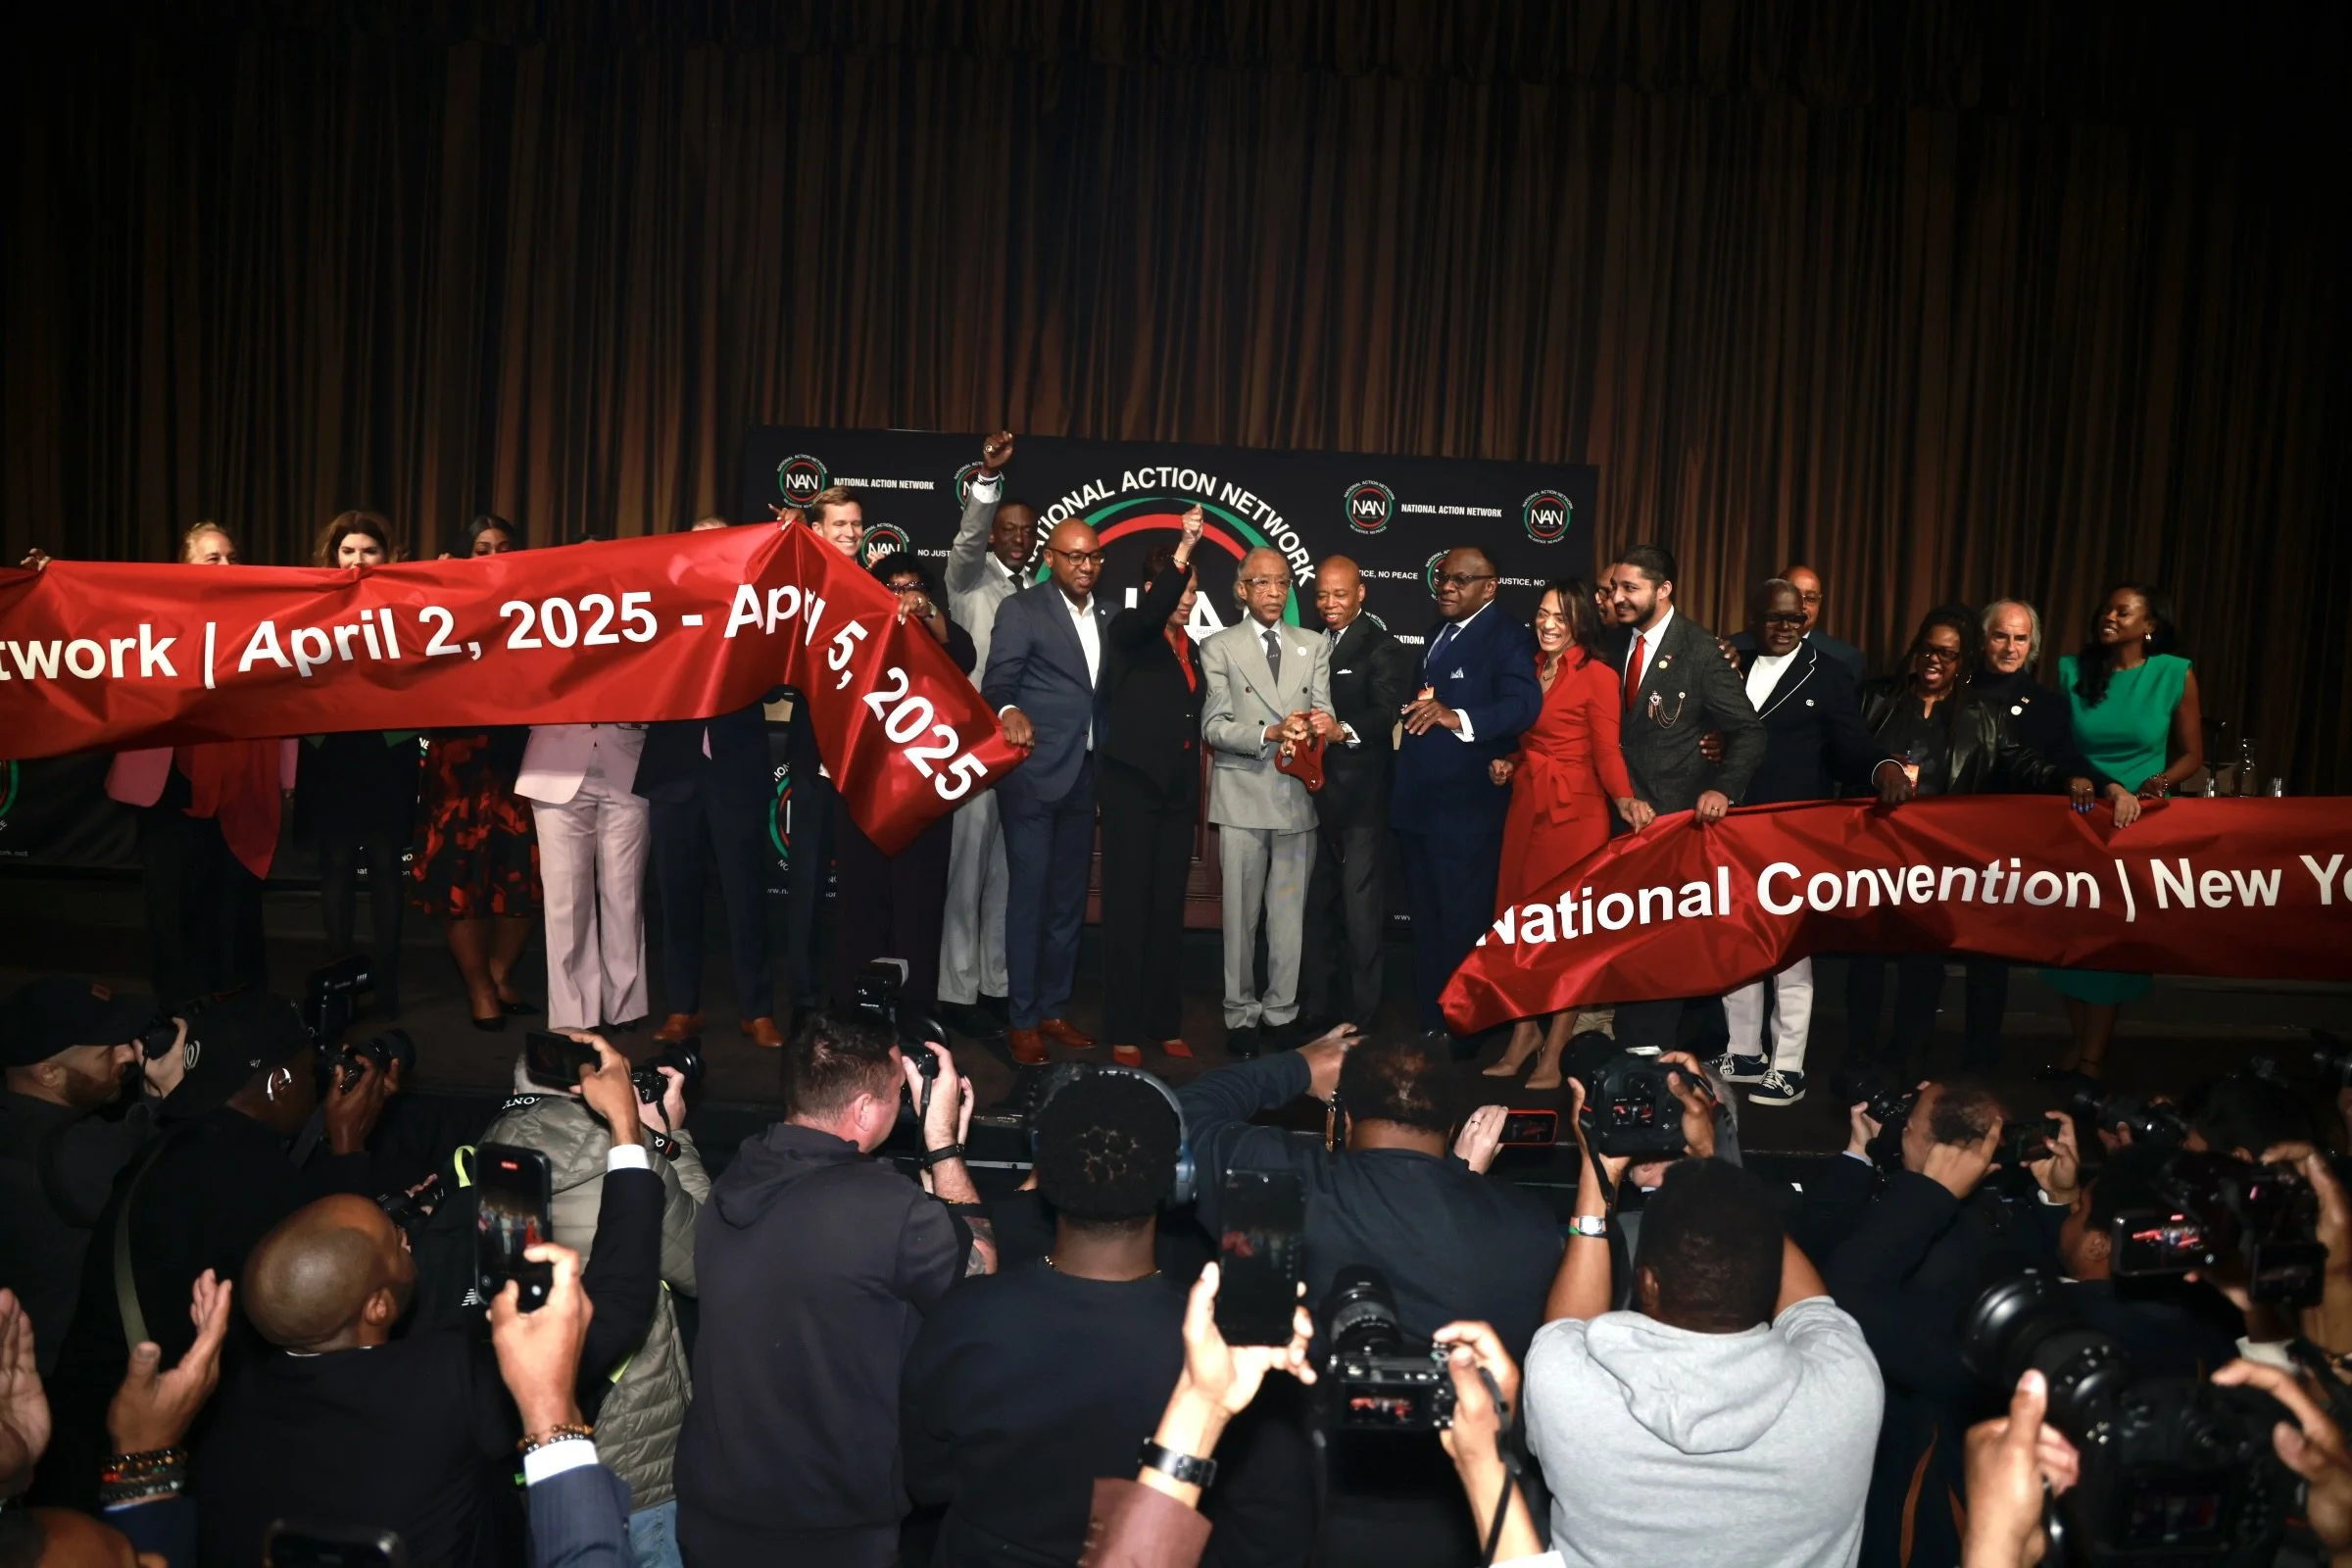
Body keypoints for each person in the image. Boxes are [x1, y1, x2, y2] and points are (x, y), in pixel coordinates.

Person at [194, 1040, 663, 1568]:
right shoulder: (444, 1382)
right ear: (376, 1307)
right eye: (394, 1241)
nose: (407, 1235)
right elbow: (618, 1307)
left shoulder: (229, 1410)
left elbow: (326, 1268)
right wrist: (625, 1131)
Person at [34, 992, 397, 1511]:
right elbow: (334, 1289)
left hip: (79, 1435)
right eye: (308, 1074)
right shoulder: (251, 1179)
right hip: (144, 1471)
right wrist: (348, 1142)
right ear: (279, 1083)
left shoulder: (169, 1148)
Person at [674, 1013, 994, 1567]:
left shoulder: (742, 1174)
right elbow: (979, 1281)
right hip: (828, 1530)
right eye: (898, 1090)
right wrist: (942, 1144)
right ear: (865, 1110)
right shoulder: (885, 1210)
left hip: (715, 1512)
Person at [904, 1068, 1207, 1564]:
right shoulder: (1211, 1351)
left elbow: (927, 1479)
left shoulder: (965, 1316)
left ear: (1042, 1170)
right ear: (1179, 1178)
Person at [1529, 1152, 1883, 1568]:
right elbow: (1809, 1306)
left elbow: (1566, 1329)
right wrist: (1718, 1173)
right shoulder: (1849, 1384)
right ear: (1771, 1281)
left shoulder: (1567, 1389)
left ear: (1647, 1283)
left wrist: (1597, 1175)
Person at [482, 1038, 708, 1566]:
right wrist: (670, 1136)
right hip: (638, 1459)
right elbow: (708, 1262)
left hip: (534, 1446)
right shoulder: (631, 1165)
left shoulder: (489, 1156)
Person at [1823, 1080, 2066, 1568]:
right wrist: (2058, 1202)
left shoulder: (1922, 1257)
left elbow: (1834, 1300)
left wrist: (1921, 1192)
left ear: (1925, 1144)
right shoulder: (2022, 1222)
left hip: (1919, 1498)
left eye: (1907, 1122)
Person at [1848, 608, 2083, 1074]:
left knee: (1924, 966)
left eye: (1949, 655)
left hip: (1937, 865)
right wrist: (1878, 769)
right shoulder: (1876, 699)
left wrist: (2070, 778)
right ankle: (1857, 1056)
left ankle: (1910, 1058)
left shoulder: (1984, 714)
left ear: (1963, 662)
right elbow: (1846, 752)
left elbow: (2024, 763)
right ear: (1916, 652)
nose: (1936, 661)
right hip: (1875, 855)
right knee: (1867, 963)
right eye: (1929, 650)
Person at [1713, 579, 1911, 1106]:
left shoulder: (1827, 673)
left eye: (1795, 619)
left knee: (1789, 953)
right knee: (1738, 942)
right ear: (1754, 617)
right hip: (1731, 827)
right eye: (1775, 618)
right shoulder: (1730, 660)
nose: (1785, 627)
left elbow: (1852, 744)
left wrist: (1882, 764)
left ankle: (1789, 1065)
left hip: (1793, 832)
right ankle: (1744, 1052)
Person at [96, 521, 292, 1006]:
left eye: (231, 556)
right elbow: (83, 618)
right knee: (171, 899)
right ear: (182, 568)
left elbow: (290, 699)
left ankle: (236, 1003)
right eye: (213, 558)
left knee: (233, 892)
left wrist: (286, 775)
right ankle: (178, 1007)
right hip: (165, 781)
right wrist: (50, 580)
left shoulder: (266, 620)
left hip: (241, 781)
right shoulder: (147, 616)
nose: (226, 565)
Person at [1602, 545, 1765, 1053]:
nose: (1619, 598)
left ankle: (1648, 1055)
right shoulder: (1615, 643)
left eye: (1631, 588)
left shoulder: (1699, 651)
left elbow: (1749, 731)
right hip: (1620, 820)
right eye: (1615, 589)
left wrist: (1722, 787)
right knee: (1623, 936)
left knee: (1662, 944)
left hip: (1674, 826)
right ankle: (1628, 1042)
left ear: (1663, 589)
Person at [1482, 579, 1642, 1090]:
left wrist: (1623, 799)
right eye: (1543, 613)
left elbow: (1607, 751)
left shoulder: (1597, 674)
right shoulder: (1528, 667)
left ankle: (1554, 1048)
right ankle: (1523, 1034)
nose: (1548, 624)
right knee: (1517, 927)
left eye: (1561, 616)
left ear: (1580, 624)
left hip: (1575, 816)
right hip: (1527, 805)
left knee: (1564, 936)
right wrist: (1508, 762)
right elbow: (1528, 739)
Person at [2042, 584, 2204, 1076]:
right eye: (2106, 608)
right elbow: (2063, 748)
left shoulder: (2175, 673)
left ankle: (2092, 1058)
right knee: (2070, 936)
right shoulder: (2073, 669)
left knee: (2112, 941)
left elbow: (2192, 756)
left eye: (2123, 610)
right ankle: (2079, 1043)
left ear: (2149, 625)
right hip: (2081, 812)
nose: (2108, 615)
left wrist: (2159, 783)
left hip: (2138, 822)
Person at [636, 514, 784, 1050]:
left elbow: (775, 688)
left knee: (746, 895)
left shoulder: (757, 607)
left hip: (736, 771)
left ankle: (758, 1010)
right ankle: (682, 1008)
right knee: (675, 897)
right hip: (673, 772)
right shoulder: (656, 609)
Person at [1391, 547, 1543, 1049]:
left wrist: (1459, 717)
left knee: (1460, 922)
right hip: (1421, 803)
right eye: (1441, 577)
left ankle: (1463, 1029)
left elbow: (1523, 706)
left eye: (1459, 579)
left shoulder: (1508, 637)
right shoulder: (1439, 633)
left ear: (1490, 586)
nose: (1446, 587)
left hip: (1465, 809)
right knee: (1428, 920)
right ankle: (1434, 1020)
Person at [0, 979, 182, 1376]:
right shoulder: (72, 1155)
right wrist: (175, 1094)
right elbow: (182, 1183)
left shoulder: (17, 1123)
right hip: (60, 1379)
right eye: (106, 1050)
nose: (128, 1054)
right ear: (48, 1073)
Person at [983, 519, 1113, 1066]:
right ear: (1051, 559)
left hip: (1087, 774)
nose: (1086, 566)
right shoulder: (1023, 608)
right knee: (1029, 901)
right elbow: (998, 683)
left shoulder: (1107, 616)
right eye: (1075, 557)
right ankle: (1023, 1019)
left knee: (1066, 902)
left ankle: (1055, 1009)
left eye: (1094, 557)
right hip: (1034, 775)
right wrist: (1010, 713)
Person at [828, 552, 975, 1024]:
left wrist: (927, 613)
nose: (904, 595)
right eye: (892, 587)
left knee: (919, 903)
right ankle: (854, 1006)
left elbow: (965, 655)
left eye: (913, 586)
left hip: (924, 789)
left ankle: (913, 1008)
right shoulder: (854, 640)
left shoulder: (941, 643)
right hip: (866, 791)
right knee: (861, 901)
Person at [1200, 547, 1336, 1056]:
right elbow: (1213, 726)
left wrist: (1321, 727)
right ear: (1242, 589)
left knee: (1287, 917)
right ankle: (1240, 1015)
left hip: (1298, 795)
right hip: (1242, 797)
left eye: (1282, 583)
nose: (1275, 593)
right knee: (1241, 918)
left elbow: (1325, 710)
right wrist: (1271, 731)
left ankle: (1281, 1014)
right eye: (1263, 583)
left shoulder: (1313, 644)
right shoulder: (1219, 647)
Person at [1963, 599, 2105, 1072]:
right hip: (1947, 842)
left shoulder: (2047, 705)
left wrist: (2108, 786)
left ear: (2033, 645)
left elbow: (2068, 761)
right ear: (1983, 640)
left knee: (1989, 958)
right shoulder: (1954, 691)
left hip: (2009, 850)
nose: (2010, 647)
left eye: (2020, 638)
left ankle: (1981, 1056)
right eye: (2001, 636)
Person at [412, 515, 541, 1031]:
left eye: (503, 546)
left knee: (523, 874)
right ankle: (478, 987)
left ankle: (500, 973)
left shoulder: (536, 602)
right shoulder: (440, 603)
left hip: (517, 759)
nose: (492, 554)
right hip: (457, 761)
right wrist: (432, 586)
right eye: (481, 547)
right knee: (460, 873)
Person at [296, 512, 425, 1018]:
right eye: (347, 550)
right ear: (332, 556)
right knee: (336, 867)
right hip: (330, 749)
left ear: (386, 555)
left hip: (387, 748)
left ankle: (388, 982)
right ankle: (341, 980)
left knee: (389, 867)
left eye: (368, 550)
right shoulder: (308, 601)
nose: (357, 560)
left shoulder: (411, 599)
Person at [1097, 511, 1207, 1065]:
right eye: (1180, 589)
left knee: (1168, 910)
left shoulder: (1190, 648)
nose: (1187, 599)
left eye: (1192, 590)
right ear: (1154, 589)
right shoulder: (1129, 631)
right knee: (1127, 909)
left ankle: (1164, 1021)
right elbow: (1150, 615)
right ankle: (1121, 1026)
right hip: (1131, 791)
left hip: (1176, 796)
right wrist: (1185, 547)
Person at [1298, 555, 1414, 1036]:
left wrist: (1341, 729)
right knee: (1316, 908)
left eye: (1340, 594)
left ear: (1361, 593)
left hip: (1362, 799)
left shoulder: (1382, 647)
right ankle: (1316, 1010)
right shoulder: (1309, 643)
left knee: (1361, 913)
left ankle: (1361, 1019)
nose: (1329, 603)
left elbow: (1387, 710)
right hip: (1310, 798)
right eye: (1322, 594)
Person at [938, 431, 1029, 1040]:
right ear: (994, 533)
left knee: (1003, 874)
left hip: (1022, 751)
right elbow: (967, 539)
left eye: (1028, 532)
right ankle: (956, 991)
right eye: (1009, 529)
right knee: (965, 870)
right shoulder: (969, 579)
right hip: (973, 742)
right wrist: (988, 484)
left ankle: (994, 983)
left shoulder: (1039, 593)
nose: (1019, 539)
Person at [514, 719, 651, 1034]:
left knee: (625, 895)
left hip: (628, 758)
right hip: (554, 761)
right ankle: (573, 1012)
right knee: (566, 900)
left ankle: (625, 1003)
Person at [1727, 563, 1867, 683]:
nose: (1802, 605)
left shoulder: (1844, 658)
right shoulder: (1732, 649)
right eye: (1793, 595)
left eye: (1811, 599)